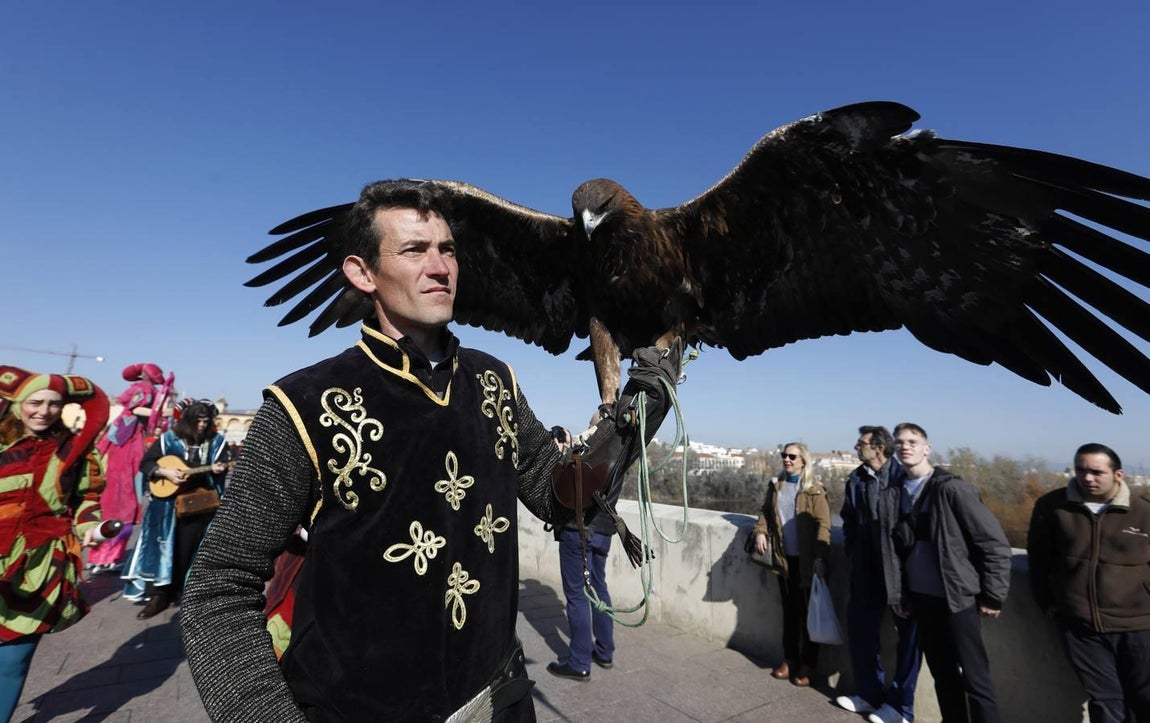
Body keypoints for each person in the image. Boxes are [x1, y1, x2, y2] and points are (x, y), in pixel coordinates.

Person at [178, 179, 681, 721]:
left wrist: (634, 418)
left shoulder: (495, 383)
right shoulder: (303, 405)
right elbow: (217, 590)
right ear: (361, 273)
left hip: (500, 700)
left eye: (448, 250)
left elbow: (562, 499)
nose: (440, 266)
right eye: (414, 250)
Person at [0, 366, 110, 721]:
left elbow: (86, 499)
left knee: (14, 658)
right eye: (36, 402)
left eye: (53, 404)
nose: (44, 411)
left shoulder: (71, 452)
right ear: (16, 403)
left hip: (38, 568)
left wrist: (90, 525)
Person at [888, 423, 1010, 723]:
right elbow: (895, 551)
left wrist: (993, 595)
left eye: (913, 441)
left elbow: (992, 542)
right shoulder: (894, 492)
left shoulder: (952, 488)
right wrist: (900, 593)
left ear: (927, 448)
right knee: (943, 675)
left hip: (957, 600)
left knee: (975, 679)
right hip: (921, 599)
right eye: (900, 442)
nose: (906, 446)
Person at [1027, 443, 1150, 722]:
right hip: (1081, 627)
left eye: (1096, 472)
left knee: (1144, 700)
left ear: (1118, 474)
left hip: (1140, 626)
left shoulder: (1143, 512)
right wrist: (1047, 603)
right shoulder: (1053, 507)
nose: (1087, 478)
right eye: (1080, 470)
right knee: (1105, 702)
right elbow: (1040, 560)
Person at [835, 426, 920, 723]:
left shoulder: (902, 478)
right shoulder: (857, 478)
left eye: (862, 444)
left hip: (900, 573)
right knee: (861, 633)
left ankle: (901, 708)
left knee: (909, 641)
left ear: (879, 448)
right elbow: (848, 518)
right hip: (865, 570)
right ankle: (869, 695)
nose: (856, 447)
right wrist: (854, 551)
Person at [122, 399, 231, 619]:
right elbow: (146, 464)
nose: (202, 425)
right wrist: (164, 473)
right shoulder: (168, 440)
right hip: (166, 509)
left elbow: (221, 467)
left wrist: (219, 469)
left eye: (205, 421)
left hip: (199, 507)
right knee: (163, 551)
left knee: (188, 551)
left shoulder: (217, 441)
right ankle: (159, 596)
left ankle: (180, 593)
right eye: (198, 421)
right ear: (189, 421)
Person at [752, 441, 831, 687]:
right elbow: (765, 511)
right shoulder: (776, 485)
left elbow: (823, 526)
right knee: (789, 614)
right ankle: (789, 659)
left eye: (793, 457)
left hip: (807, 563)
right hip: (783, 560)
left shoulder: (814, 490)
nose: (787, 460)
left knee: (809, 616)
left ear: (804, 461)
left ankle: (808, 665)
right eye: (784, 455)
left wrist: (821, 557)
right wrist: (760, 531)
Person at [546, 461, 621, 681]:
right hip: (605, 530)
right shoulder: (623, 449)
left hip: (579, 529)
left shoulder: (597, 447)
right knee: (599, 588)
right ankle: (605, 652)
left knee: (578, 595)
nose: (590, 424)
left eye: (591, 423)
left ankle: (579, 662)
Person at [89, 362, 166, 573]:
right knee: (122, 502)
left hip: (124, 445)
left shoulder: (139, 394)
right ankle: (105, 555)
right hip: (126, 448)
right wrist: (160, 411)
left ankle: (102, 556)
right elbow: (136, 407)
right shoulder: (145, 390)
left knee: (116, 502)